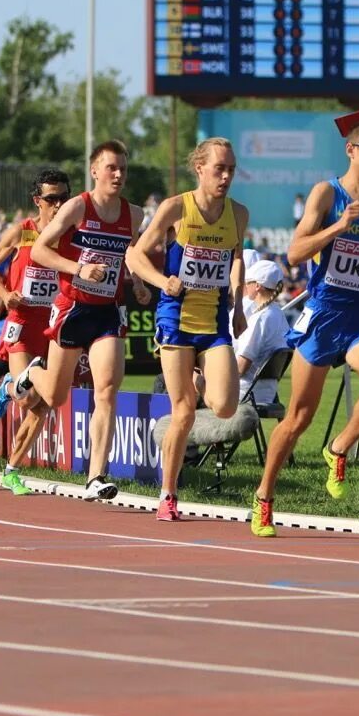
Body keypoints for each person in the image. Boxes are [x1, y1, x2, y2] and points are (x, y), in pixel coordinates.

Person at [250, 120, 359, 538]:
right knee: (297, 418)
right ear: (351, 150)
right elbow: (294, 253)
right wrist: (337, 227)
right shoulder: (326, 193)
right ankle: (264, 497)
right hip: (325, 313)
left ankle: (338, 447)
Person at [10, 140, 151, 502]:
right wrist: (78, 269)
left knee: (107, 388)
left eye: (123, 168)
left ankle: (95, 477)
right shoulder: (77, 206)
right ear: (94, 171)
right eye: (111, 168)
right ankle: (31, 374)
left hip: (107, 311)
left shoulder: (133, 214)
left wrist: (137, 280)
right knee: (56, 396)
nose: (118, 174)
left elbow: (130, 252)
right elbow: (40, 248)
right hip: (72, 307)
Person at [126, 137, 249, 521]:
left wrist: (240, 302)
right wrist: (163, 282)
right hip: (175, 320)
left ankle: (199, 382)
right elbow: (135, 254)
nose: (226, 176)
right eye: (219, 169)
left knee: (227, 406)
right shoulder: (176, 207)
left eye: (230, 169)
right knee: (183, 413)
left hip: (214, 322)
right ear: (200, 169)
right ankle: (168, 495)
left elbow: (237, 258)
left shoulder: (238, 213)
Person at [0, 170, 72, 496]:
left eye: (64, 197)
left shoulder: (71, 236)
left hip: (51, 325)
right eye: (51, 199)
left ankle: (12, 470)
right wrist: (4, 295)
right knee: (26, 398)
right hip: (21, 322)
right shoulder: (24, 232)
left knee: (42, 403)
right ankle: (11, 385)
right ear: (38, 201)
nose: (58, 204)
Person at [234, 259, 290, 404]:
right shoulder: (278, 314)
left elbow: (241, 367)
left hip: (245, 391)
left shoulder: (261, 318)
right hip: (267, 392)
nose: (246, 285)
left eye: (248, 282)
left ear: (257, 286)